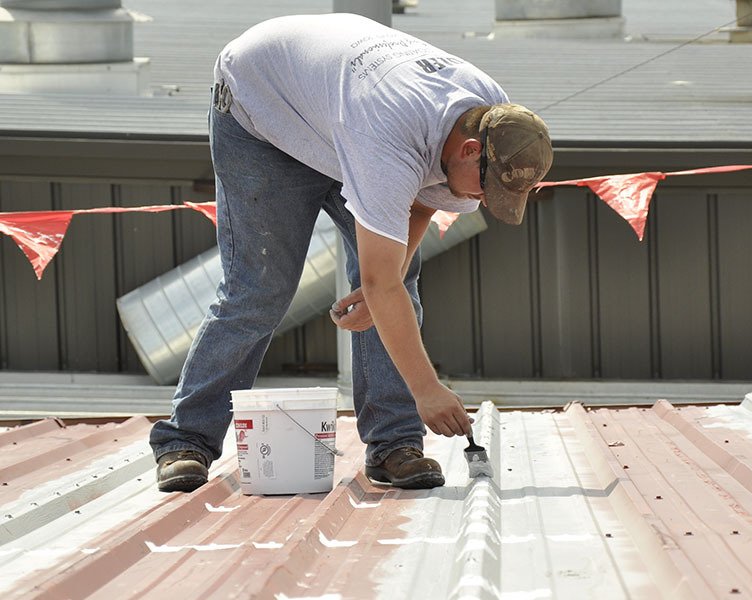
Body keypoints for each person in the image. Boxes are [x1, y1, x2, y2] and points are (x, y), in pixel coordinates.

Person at [150, 12, 553, 492]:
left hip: (339, 116)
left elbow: (422, 202)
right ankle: (185, 440)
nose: (482, 200)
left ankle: (393, 446)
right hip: (263, 111)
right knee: (259, 290)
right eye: (486, 189)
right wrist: (426, 389)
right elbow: (383, 276)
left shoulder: (496, 121)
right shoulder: (390, 137)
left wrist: (383, 283)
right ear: (469, 150)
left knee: (394, 282)